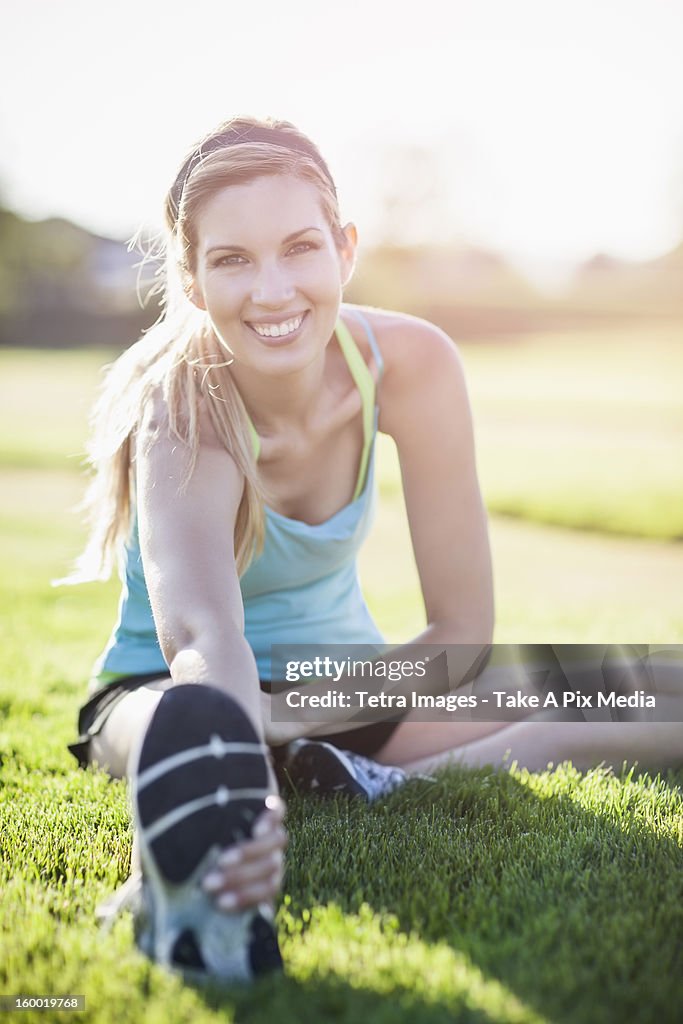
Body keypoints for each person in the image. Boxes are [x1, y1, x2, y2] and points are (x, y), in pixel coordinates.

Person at [67, 116, 682, 984]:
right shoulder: (184, 407)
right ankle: (195, 864)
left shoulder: (412, 364)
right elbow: (204, 641)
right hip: (169, 696)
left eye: (299, 248)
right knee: (195, 731)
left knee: (656, 686)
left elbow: (461, 626)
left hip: (337, 685)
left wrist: (300, 714)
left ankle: (368, 779)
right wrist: (237, 777)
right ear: (194, 281)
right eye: (233, 259)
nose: (273, 290)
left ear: (345, 249)